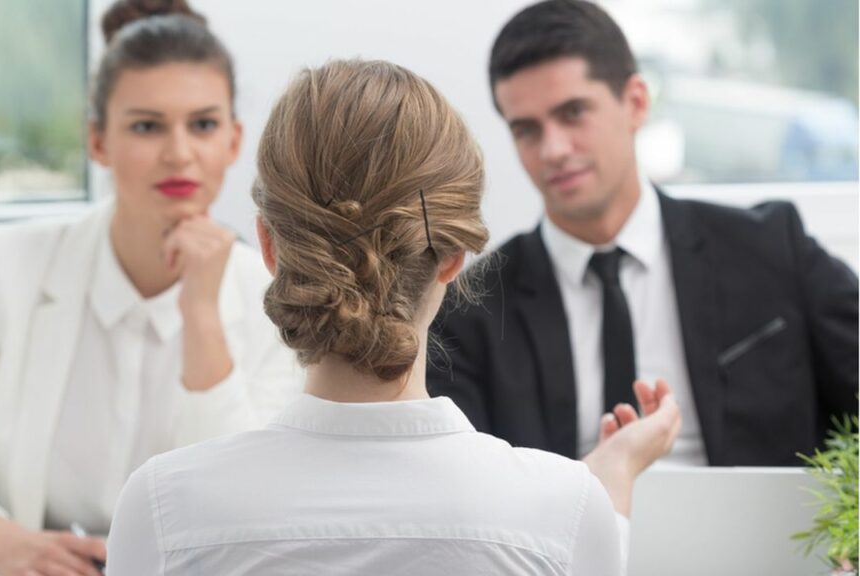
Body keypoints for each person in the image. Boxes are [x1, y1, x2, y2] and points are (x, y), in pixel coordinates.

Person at [106, 58, 681, 576]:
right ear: (453, 255)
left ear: (269, 245)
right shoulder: (565, 508)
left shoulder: (161, 507)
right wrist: (607, 487)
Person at [0, 2, 300, 573]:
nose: (179, 153)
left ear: (232, 141)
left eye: (202, 124)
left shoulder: (270, 295)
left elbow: (246, 515)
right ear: (98, 142)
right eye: (147, 126)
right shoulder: (5, 264)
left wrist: (202, 316)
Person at [427, 0, 858, 466]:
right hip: (565, 533)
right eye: (527, 130)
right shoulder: (472, 309)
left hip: (761, 536)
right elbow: (462, 491)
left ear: (636, 102)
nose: (553, 149)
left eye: (573, 113)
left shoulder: (773, 249)